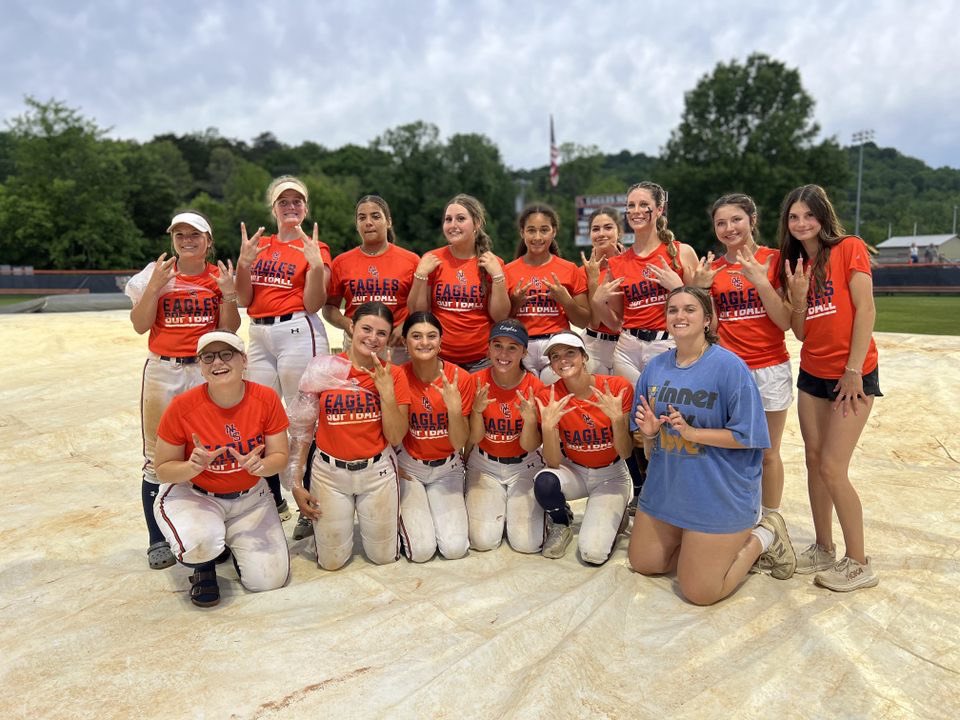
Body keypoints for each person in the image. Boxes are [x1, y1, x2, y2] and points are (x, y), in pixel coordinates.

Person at [628, 287, 796, 606]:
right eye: (673, 309)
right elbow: (647, 441)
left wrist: (694, 433)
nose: (680, 316)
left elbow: (749, 437)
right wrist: (649, 434)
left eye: (690, 309)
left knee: (700, 591)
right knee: (644, 563)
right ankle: (695, 540)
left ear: (708, 319)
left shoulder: (729, 367)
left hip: (717, 490)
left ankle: (765, 534)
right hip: (670, 487)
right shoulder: (655, 367)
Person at [779, 184, 882, 592]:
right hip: (813, 374)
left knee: (833, 468)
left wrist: (854, 369)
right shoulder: (795, 266)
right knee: (813, 461)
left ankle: (859, 563)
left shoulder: (849, 248)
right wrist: (799, 297)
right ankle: (823, 546)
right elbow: (801, 333)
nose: (802, 223)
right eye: (793, 217)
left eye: (809, 214)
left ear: (823, 216)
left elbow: (866, 309)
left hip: (851, 375)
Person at [125, 211, 240, 571]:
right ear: (172, 239)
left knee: (204, 450)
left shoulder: (216, 277)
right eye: (180, 234)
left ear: (209, 240)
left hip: (204, 371)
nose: (187, 240)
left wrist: (228, 295)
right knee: (156, 456)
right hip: (163, 369)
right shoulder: (156, 273)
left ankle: (202, 531)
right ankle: (156, 538)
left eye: (195, 234)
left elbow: (230, 331)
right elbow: (139, 325)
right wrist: (155, 287)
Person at [153, 331, 290, 607]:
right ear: (201, 367)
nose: (218, 362)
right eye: (208, 356)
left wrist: (262, 466)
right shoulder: (182, 407)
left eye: (227, 354)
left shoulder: (266, 398)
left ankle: (232, 544)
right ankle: (204, 567)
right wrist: (191, 466)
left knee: (268, 581)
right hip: (197, 495)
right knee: (199, 544)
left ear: (244, 360)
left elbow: (280, 456)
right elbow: (163, 469)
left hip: (250, 498)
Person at [285, 301, 410, 571]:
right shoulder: (323, 369)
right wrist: (296, 481)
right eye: (366, 328)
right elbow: (301, 431)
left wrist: (386, 393)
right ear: (352, 327)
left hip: (376, 472)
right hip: (329, 474)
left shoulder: (395, 374)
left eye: (381, 333)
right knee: (331, 563)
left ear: (389, 338)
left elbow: (396, 436)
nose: (372, 338)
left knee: (383, 557)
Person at [235, 175, 332, 524]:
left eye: (297, 201)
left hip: (296, 329)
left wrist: (317, 266)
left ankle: (308, 501)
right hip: (259, 333)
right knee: (258, 415)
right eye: (283, 201)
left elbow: (313, 302)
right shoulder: (261, 245)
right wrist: (244, 264)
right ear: (273, 207)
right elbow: (245, 300)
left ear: (305, 207)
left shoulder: (315, 247)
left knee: (303, 420)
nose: (291, 207)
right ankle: (272, 498)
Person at [693, 194, 793, 525]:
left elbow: (784, 321)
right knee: (729, 449)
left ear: (752, 219)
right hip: (730, 372)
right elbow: (712, 330)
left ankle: (772, 524)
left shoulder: (774, 259)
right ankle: (735, 517)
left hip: (770, 366)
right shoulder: (714, 269)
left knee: (766, 452)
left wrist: (761, 281)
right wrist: (704, 290)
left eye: (736, 219)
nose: (729, 228)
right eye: (720, 223)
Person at [533, 332, 633, 564]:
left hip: (611, 474)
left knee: (593, 554)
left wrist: (617, 421)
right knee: (545, 481)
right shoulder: (549, 396)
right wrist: (548, 429)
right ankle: (561, 522)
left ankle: (615, 513)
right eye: (555, 356)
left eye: (570, 353)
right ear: (552, 365)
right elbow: (553, 462)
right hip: (574, 469)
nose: (563, 360)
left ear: (584, 357)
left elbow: (626, 452)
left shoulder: (617, 387)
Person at [595, 182, 699, 385]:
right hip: (627, 349)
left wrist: (678, 289)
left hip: (668, 343)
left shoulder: (681, 252)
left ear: (659, 209)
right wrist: (598, 304)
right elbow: (617, 322)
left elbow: (701, 311)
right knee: (633, 412)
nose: (636, 211)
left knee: (665, 410)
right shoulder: (617, 264)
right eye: (631, 205)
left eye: (644, 204)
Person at [396, 312, 475, 562]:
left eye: (431, 336)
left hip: (447, 469)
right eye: (416, 336)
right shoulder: (398, 376)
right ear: (405, 342)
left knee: (454, 549)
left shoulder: (460, 378)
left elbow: (459, 442)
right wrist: (393, 466)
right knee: (421, 552)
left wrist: (453, 408)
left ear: (441, 342)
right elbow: (388, 430)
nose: (424, 342)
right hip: (410, 467)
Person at [466, 320, 545, 554]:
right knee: (482, 542)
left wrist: (530, 420)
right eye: (498, 345)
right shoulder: (475, 381)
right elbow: (474, 437)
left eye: (513, 347)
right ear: (488, 348)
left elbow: (530, 445)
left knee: (527, 545)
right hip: (485, 464)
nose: (504, 353)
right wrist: (477, 412)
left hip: (524, 464)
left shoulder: (535, 387)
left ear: (524, 352)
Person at [407, 194, 510, 371]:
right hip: (440, 359)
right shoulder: (433, 260)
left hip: (482, 360)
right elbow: (418, 313)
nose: (453, 225)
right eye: (448, 219)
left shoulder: (492, 263)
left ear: (477, 223)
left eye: (460, 219)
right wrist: (421, 274)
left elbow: (500, 317)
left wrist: (498, 277)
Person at [324, 195, 420, 365]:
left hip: (396, 346)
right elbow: (329, 308)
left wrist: (405, 325)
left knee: (396, 392)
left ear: (388, 221)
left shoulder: (411, 261)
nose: (368, 222)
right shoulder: (341, 262)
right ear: (356, 225)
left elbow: (422, 306)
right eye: (362, 218)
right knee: (357, 391)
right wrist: (346, 323)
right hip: (357, 343)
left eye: (375, 216)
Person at [504, 204, 589, 380]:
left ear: (554, 231)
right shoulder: (508, 271)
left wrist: (565, 300)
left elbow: (583, 321)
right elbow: (500, 321)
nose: (537, 237)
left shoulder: (569, 269)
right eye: (531, 231)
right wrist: (515, 304)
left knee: (554, 402)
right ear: (522, 233)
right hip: (521, 345)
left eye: (544, 230)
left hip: (556, 346)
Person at [580, 206, 625, 375]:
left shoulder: (631, 265)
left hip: (626, 343)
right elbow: (594, 322)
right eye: (595, 229)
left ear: (619, 231)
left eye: (608, 227)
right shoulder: (581, 272)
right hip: (594, 344)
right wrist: (593, 280)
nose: (601, 234)